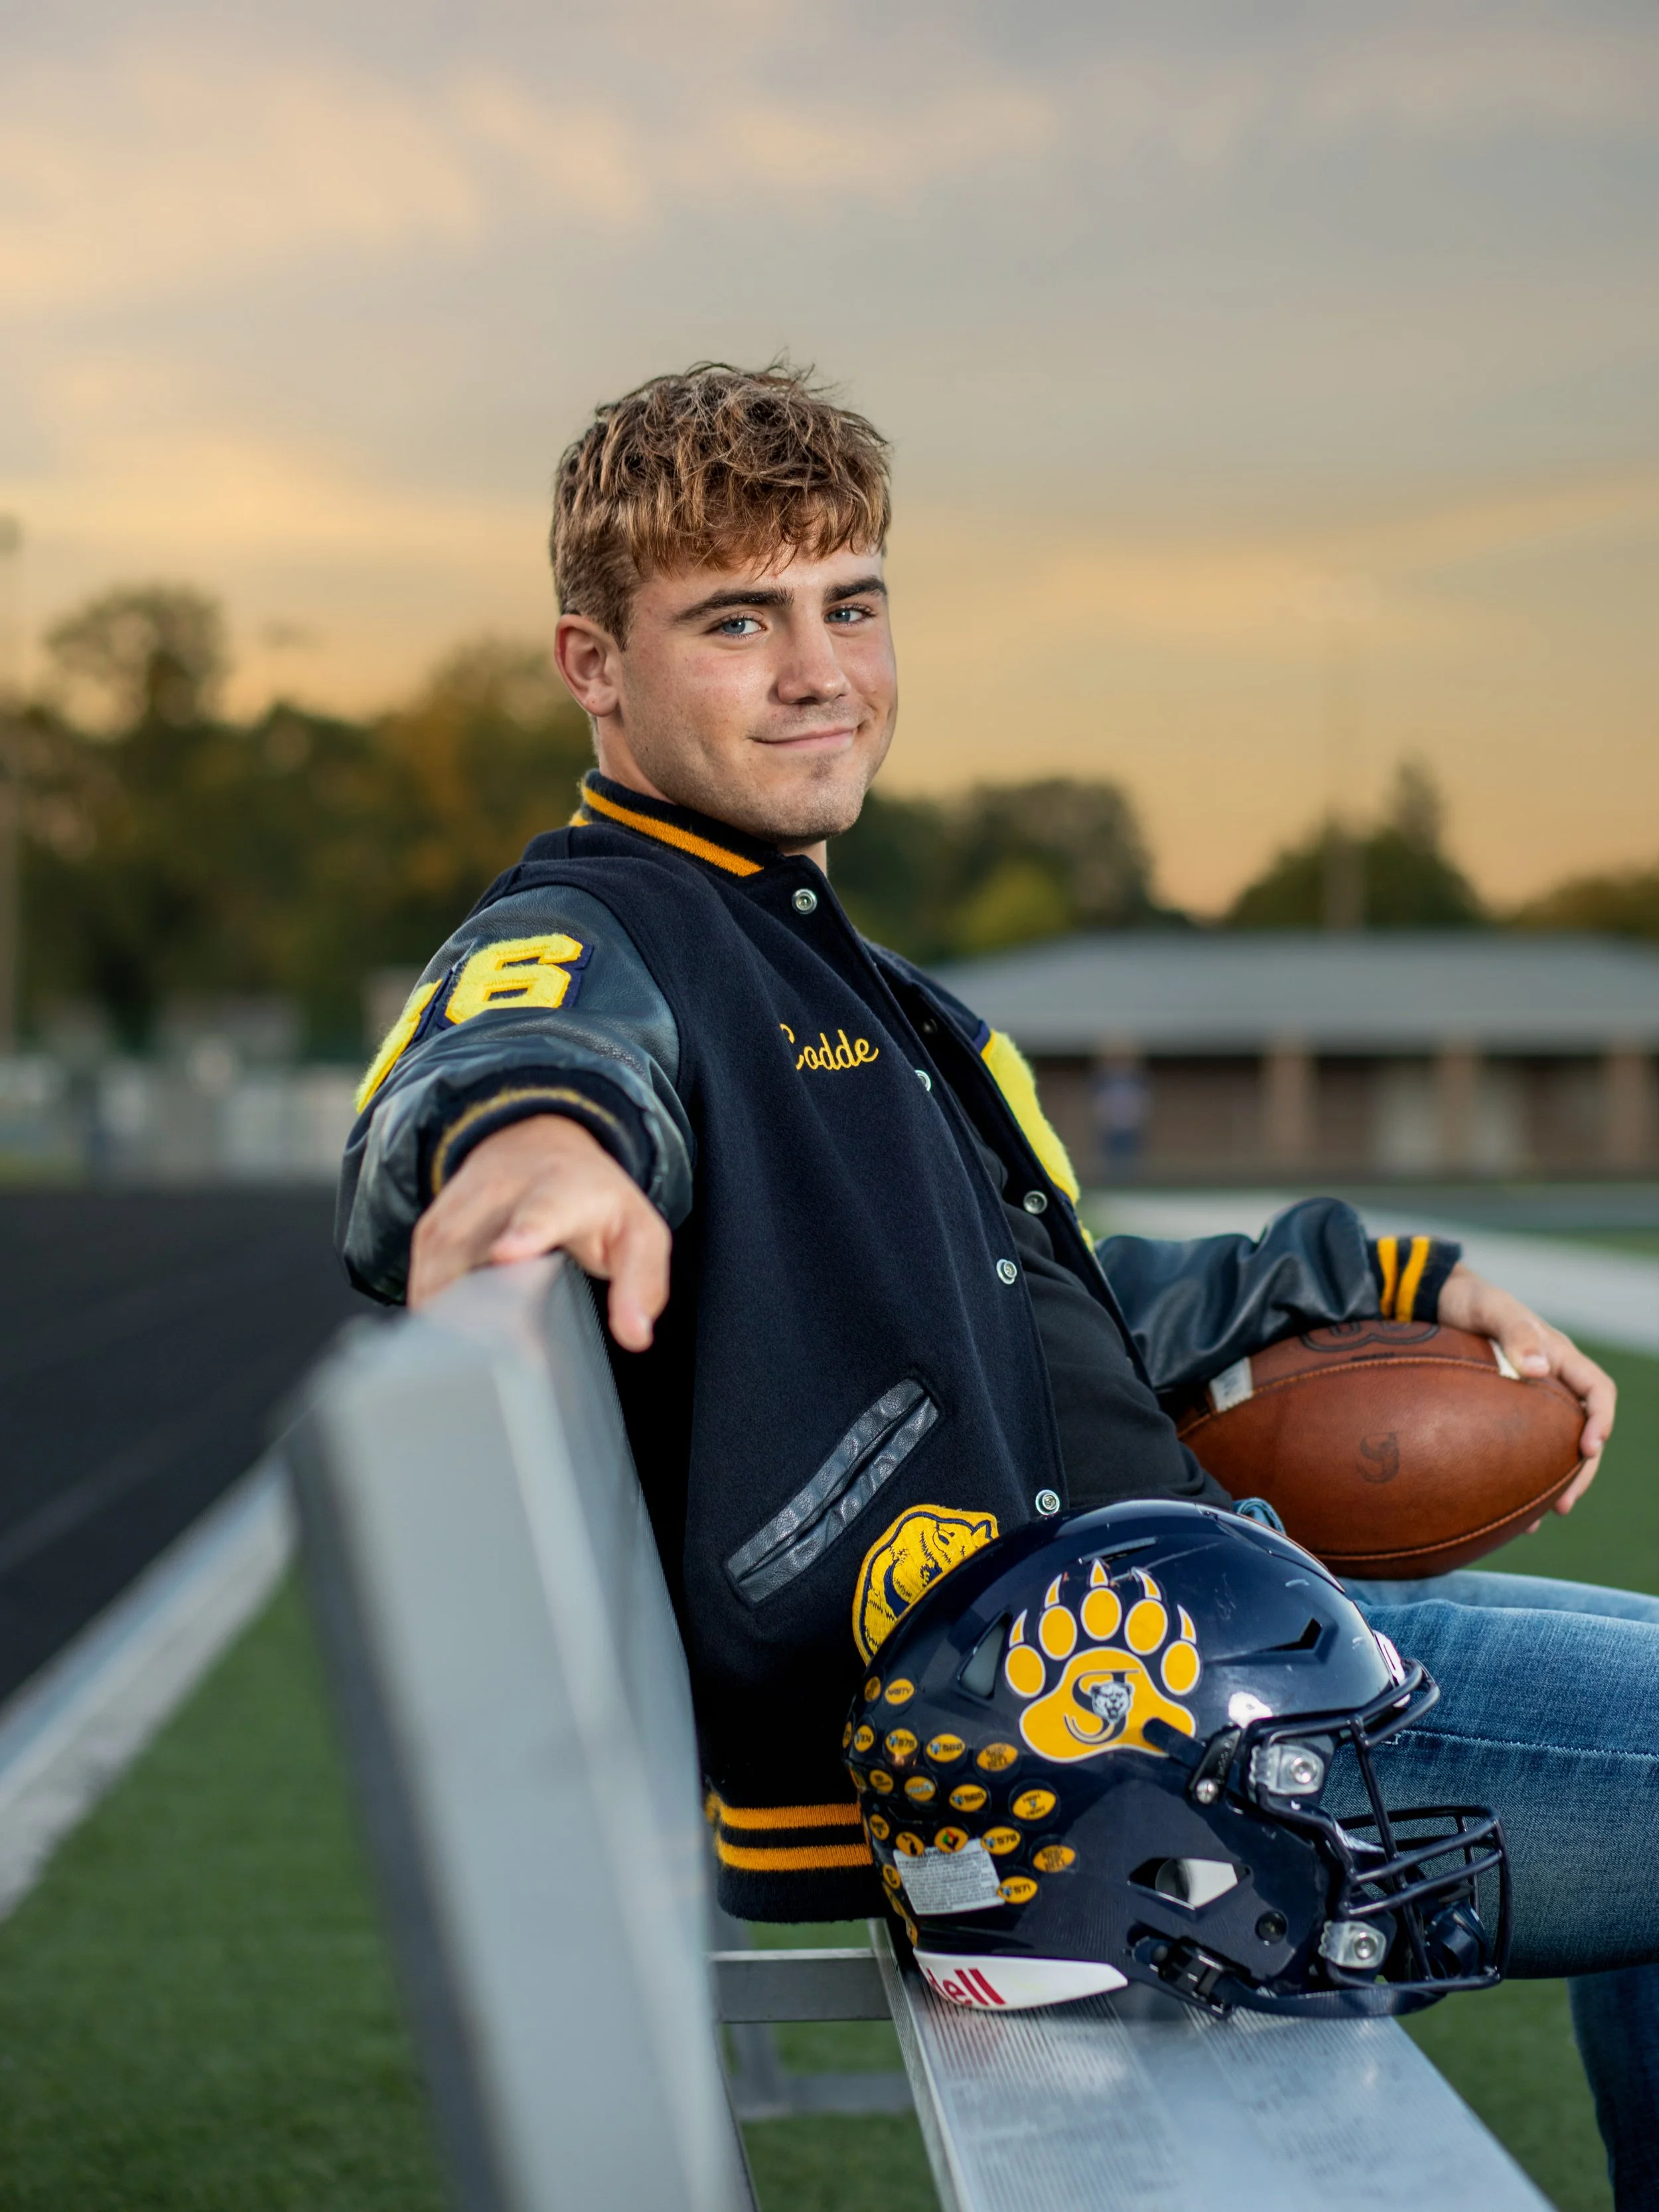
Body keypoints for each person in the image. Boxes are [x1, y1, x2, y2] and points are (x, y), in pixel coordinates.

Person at [338, 363, 1652, 2205]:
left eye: (849, 604)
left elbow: (1047, 1308)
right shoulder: (604, 925)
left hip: (1175, 1655)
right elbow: (509, 1052)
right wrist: (532, 1147)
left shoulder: (864, 983)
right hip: (1083, 1752)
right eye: (738, 620)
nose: (819, 670)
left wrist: (1378, 1273)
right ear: (592, 664)